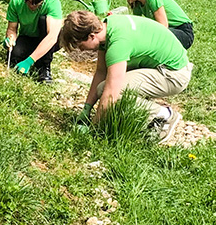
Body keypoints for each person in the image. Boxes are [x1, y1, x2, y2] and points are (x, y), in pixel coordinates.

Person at [60, 10, 192, 142]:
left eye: (80, 45)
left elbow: (112, 94)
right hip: (161, 66)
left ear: (91, 36)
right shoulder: (107, 27)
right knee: (103, 89)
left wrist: (93, 130)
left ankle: (163, 115)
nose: (81, 50)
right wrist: (87, 108)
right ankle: (145, 109)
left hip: (174, 74)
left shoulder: (118, 44)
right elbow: (101, 71)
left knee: (116, 94)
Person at [4, 0, 62, 83]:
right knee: (14, 55)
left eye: (36, 3)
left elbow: (52, 37)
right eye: (29, 2)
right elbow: (12, 29)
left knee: (43, 20)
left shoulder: (52, 3)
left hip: (49, 39)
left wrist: (29, 61)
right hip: (27, 38)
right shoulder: (16, 1)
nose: (32, 6)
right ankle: (35, 58)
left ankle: (44, 68)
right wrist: (10, 39)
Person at [117, 0, 195, 49]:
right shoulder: (137, 3)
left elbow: (163, 26)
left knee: (154, 38)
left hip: (183, 31)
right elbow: (136, 25)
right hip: (169, 31)